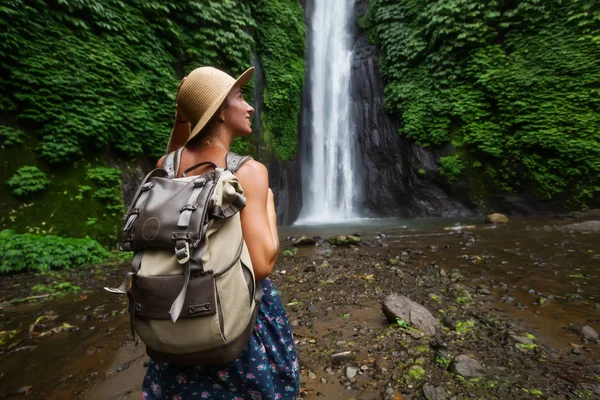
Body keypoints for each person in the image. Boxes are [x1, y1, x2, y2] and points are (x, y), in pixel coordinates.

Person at [142, 66, 300, 399]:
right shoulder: (248, 172)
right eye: (240, 98)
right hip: (229, 325)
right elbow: (261, 265)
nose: (250, 106)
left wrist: (182, 117)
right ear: (220, 114)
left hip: (175, 315)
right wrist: (269, 205)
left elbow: (173, 157)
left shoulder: (167, 167)